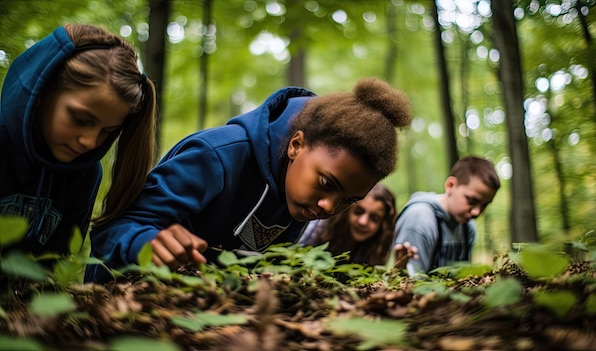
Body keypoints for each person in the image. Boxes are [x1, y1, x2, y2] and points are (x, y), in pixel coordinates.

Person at [85, 77, 412, 282]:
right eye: (327, 184)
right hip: (113, 307)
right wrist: (146, 243)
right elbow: (109, 231)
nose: (328, 206)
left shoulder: (297, 195)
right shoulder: (215, 157)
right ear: (297, 145)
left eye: (348, 201)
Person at [0, 24, 157, 257]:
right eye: (81, 119)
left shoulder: (86, 172)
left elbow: (58, 265)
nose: (90, 143)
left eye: (108, 131)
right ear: (41, 93)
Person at [393, 156, 500, 275]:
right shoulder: (420, 219)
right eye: (472, 200)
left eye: (484, 205)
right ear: (450, 185)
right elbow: (411, 283)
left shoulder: (467, 227)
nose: (477, 212)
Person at [299, 183, 417, 267]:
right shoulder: (316, 230)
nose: (363, 222)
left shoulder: (373, 249)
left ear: (383, 225)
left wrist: (398, 269)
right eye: (358, 211)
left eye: (374, 218)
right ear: (347, 211)